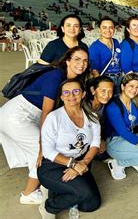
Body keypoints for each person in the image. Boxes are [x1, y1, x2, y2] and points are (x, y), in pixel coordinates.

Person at [0, 46, 90, 204]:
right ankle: (28, 194)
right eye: (77, 59)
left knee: (43, 151)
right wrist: (43, 144)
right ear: (67, 61)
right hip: (17, 115)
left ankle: (40, 185)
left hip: (26, 115)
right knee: (41, 152)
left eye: (85, 61)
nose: (81, 64)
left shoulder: (71, 81)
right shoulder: (55, 76)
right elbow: (46, 113)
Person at [37, 79, 101, 219]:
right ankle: (48, 208)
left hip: (80, 163)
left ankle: (58, 189)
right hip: (53, 164)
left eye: (76, 91)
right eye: (66, 92)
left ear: (83, 94)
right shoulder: (54, 118)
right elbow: (48, 151)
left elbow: (95, 144)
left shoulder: (92, 116)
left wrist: (83, 164)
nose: (71, 95)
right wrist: (72, 164)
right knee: (83, 192)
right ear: (61, 96)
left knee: (91, 205)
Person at [82, 76, 115, 161]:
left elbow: (105, 127)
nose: (107, 95)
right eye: (103, 91)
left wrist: (102, 139)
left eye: (110, 92)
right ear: (93, 90)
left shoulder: (106, 106)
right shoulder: (83, 106)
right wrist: (96, 142)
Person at [89, 17, 122, 87]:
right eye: (104, 27)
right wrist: (101, 84)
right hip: (105, 78)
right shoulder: (95, 47)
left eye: (111, 27)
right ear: (99, 30)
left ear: (114, 29)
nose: (108, 30)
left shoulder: (116, 42)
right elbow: (94, 70)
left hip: (119, 77)